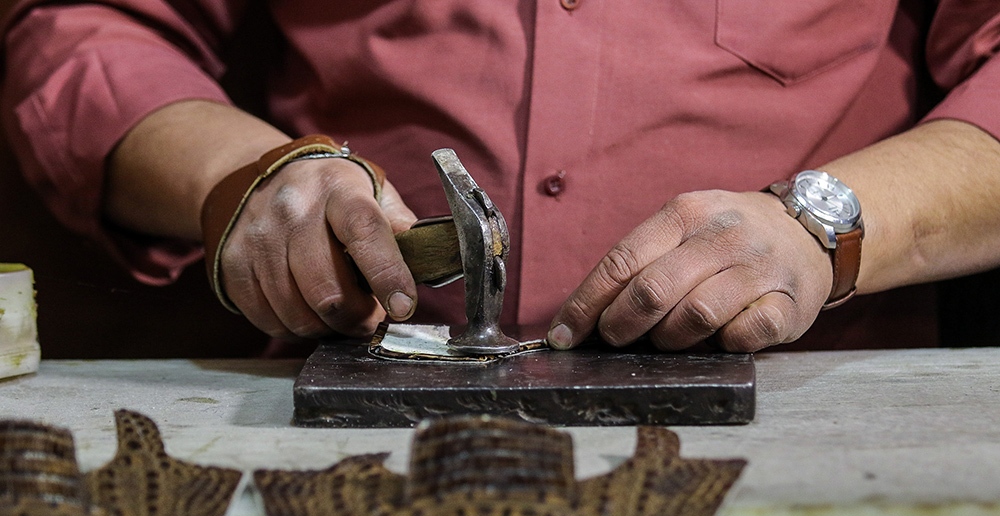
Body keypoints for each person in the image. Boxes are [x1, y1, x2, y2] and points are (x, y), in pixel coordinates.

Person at [2, 0, 999, 354]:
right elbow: (90, 27)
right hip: (347, 429)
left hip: (812, 427)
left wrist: (828, 227)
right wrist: (237, 177)